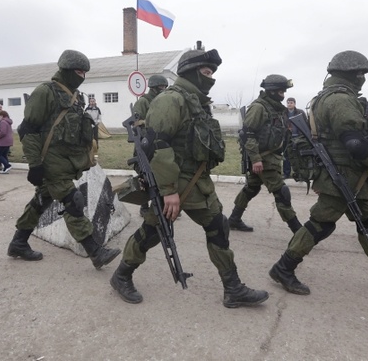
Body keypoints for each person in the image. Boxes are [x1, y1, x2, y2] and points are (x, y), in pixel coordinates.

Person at [110, 48, 269, 308]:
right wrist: (169, 189)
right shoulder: (170, 100)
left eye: (212, 73)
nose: (210, 77)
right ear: (191, 72)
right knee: (153, 232)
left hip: (198, 181)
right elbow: (158, 146)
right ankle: (121, 275)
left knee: (218, 226)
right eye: (206, 72)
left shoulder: (196, 102)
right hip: (175, 182)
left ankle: (233, 288)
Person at [268, 50, 368, 296]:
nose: (363, 79)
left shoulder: (331, 96)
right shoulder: (340, 99)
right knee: (321, 224)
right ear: (351, 75)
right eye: (360, 74)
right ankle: (283, 267)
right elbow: (357, 142)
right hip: (341, 176)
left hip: (350, 176)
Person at [7, 49, 121, 268]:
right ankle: (95, 251)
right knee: (72, 202)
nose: (82, 77)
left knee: (41, 202)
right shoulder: (45, 92)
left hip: (66, 163)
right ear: (66, 69)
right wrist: (35, 164)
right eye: (78, 72)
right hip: (49, 162)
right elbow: (27, 130)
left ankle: (18, 243)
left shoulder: (76, 98)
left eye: (85, 73)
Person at [228, 75, 303, 233]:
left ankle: (234, 219)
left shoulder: (275, 108)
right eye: (280, 92)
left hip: (272, 157)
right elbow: (248, 134)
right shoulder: (259, 107)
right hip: (263, 159)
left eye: (284, 92)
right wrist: (255, 159)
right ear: (271, 91)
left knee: (251, 188)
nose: (283, 96)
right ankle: (298, 231)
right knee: (281, 192)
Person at [133, 74, 169, 217]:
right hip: (145, 143)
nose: (164, 89)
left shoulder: (163, 102)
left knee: (160, 173)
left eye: (165, 87)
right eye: (161, 87)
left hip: (159, 143)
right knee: (144, 174)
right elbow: (134, 122)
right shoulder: (143, 101)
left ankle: (160, 205)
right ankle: (144, 206)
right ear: (153, 88)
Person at [282, 97, 306, 179]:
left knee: (299, 156)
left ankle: (300, 174)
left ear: (294, 104)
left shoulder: (300, 112)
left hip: (299, 137)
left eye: (291, 102)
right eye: (288, 102)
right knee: (287, 156)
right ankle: (286, 173)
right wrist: (287, 129)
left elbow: (305, 124)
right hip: (287, 138)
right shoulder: (283, 113)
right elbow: (281, 125)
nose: (289, 104)